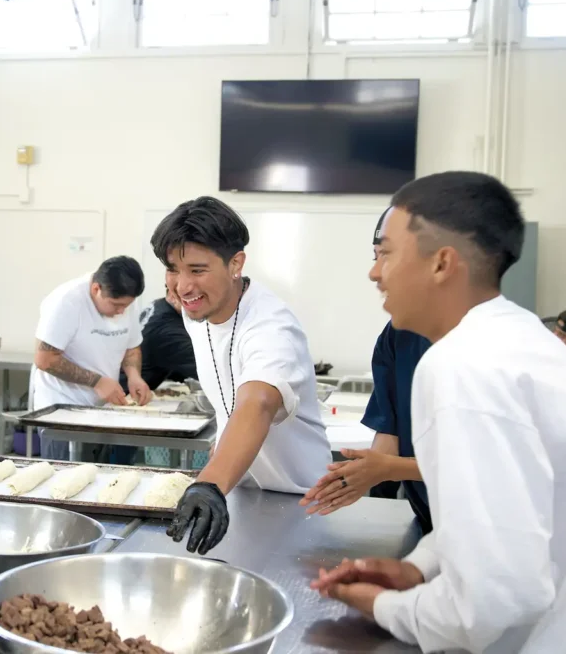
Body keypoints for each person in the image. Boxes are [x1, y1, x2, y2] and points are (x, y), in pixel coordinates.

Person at [311, 171, 566, 652]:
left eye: (386, 253)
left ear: (441, 263)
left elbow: (493, 600)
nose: (374, 273)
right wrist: (418, 568)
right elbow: (511, 509)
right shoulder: (519, 340)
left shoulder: (465, 365)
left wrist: (383, 606)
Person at [151, 196, 331, 556]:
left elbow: (258, 402)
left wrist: (210, 484)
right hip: (244, 494)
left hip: (303, 503)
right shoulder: (197, 311)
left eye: (198, 270)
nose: (183, 286)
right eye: (173, 269)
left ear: (236, 264)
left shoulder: (271, 326)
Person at [300, 209, 433, 534]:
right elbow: (390, 429)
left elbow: (481, 471)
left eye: (385, 256)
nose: (374, 273)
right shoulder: (396, 335)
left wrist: (387, 468)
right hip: (432, 517)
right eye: (374, 257)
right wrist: (364, 474)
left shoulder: (483, 349)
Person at [31, 256, 152, 461]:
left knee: (98, 482)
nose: (122, 311)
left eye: (126, 305)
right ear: (96, 289)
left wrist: (134, 376)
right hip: (62, 412)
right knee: (64, 484)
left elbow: (132, 347)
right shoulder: (66, 302)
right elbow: (44, 359)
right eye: (116, 305)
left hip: (102, 411)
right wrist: (96, 381)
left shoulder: (125, 301)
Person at [119, 280, 197, 391]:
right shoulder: (167, 329)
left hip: (128, 387)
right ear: (171, 293)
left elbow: (175, 366)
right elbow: (207, 370)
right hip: (127, 394)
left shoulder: (159, 306)